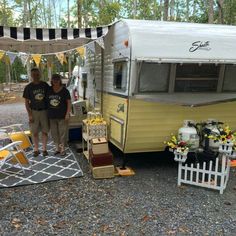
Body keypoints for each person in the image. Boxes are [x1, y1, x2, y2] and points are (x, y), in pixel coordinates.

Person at [23, 68, 50, 157]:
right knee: (34, 132)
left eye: (37, 74)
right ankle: (36, 149)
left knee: (45, 131)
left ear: (40, 75)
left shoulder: (45, 85)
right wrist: (29, 114)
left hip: (44, 111)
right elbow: (26, 102)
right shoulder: (28, 87)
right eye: (34, 75)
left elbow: (51, 97)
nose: (36, 76)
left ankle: (44, 149)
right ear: (31, 75)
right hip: (34, 111)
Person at [47, 74, 71, 156]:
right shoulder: (49, 90)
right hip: (52, 115)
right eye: (54, 79)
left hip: (62, 115)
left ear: (60, 80)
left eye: (57, 79)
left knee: (62, 133)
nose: (55, 81)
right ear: (52, 80)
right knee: (54, 133)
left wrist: (67, 113)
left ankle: (63, 148)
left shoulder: (64, 90)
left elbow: (69, 103)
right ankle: (57, 148)